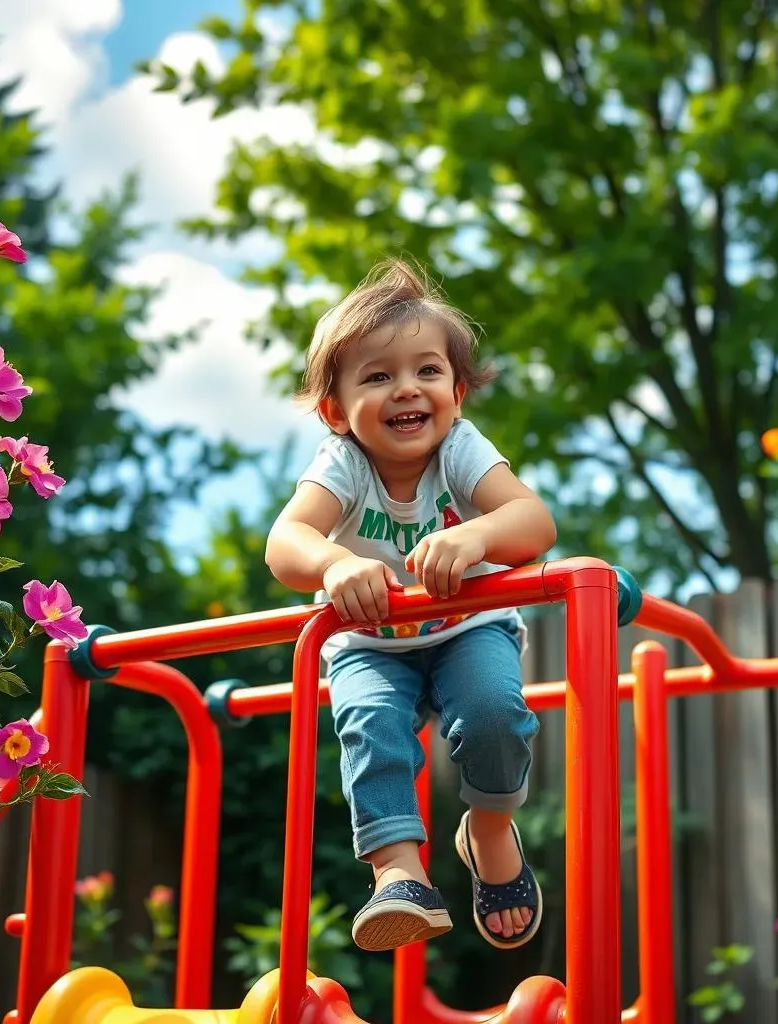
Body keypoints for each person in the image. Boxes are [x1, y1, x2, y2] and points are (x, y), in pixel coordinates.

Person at [265, 257, 557, 953]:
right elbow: (285, 541)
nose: (407, 390)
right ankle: (397, 873)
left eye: (427, 371)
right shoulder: (343, 463)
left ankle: (487, 829)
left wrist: (480, 534)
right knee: (367, 723)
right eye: (378, 376)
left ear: (456, 391)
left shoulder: (461, 449)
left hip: (468, 626)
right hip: (372, 643)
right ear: (337, 410)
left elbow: (535, 523)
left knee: (493, 711)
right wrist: (335, 563)